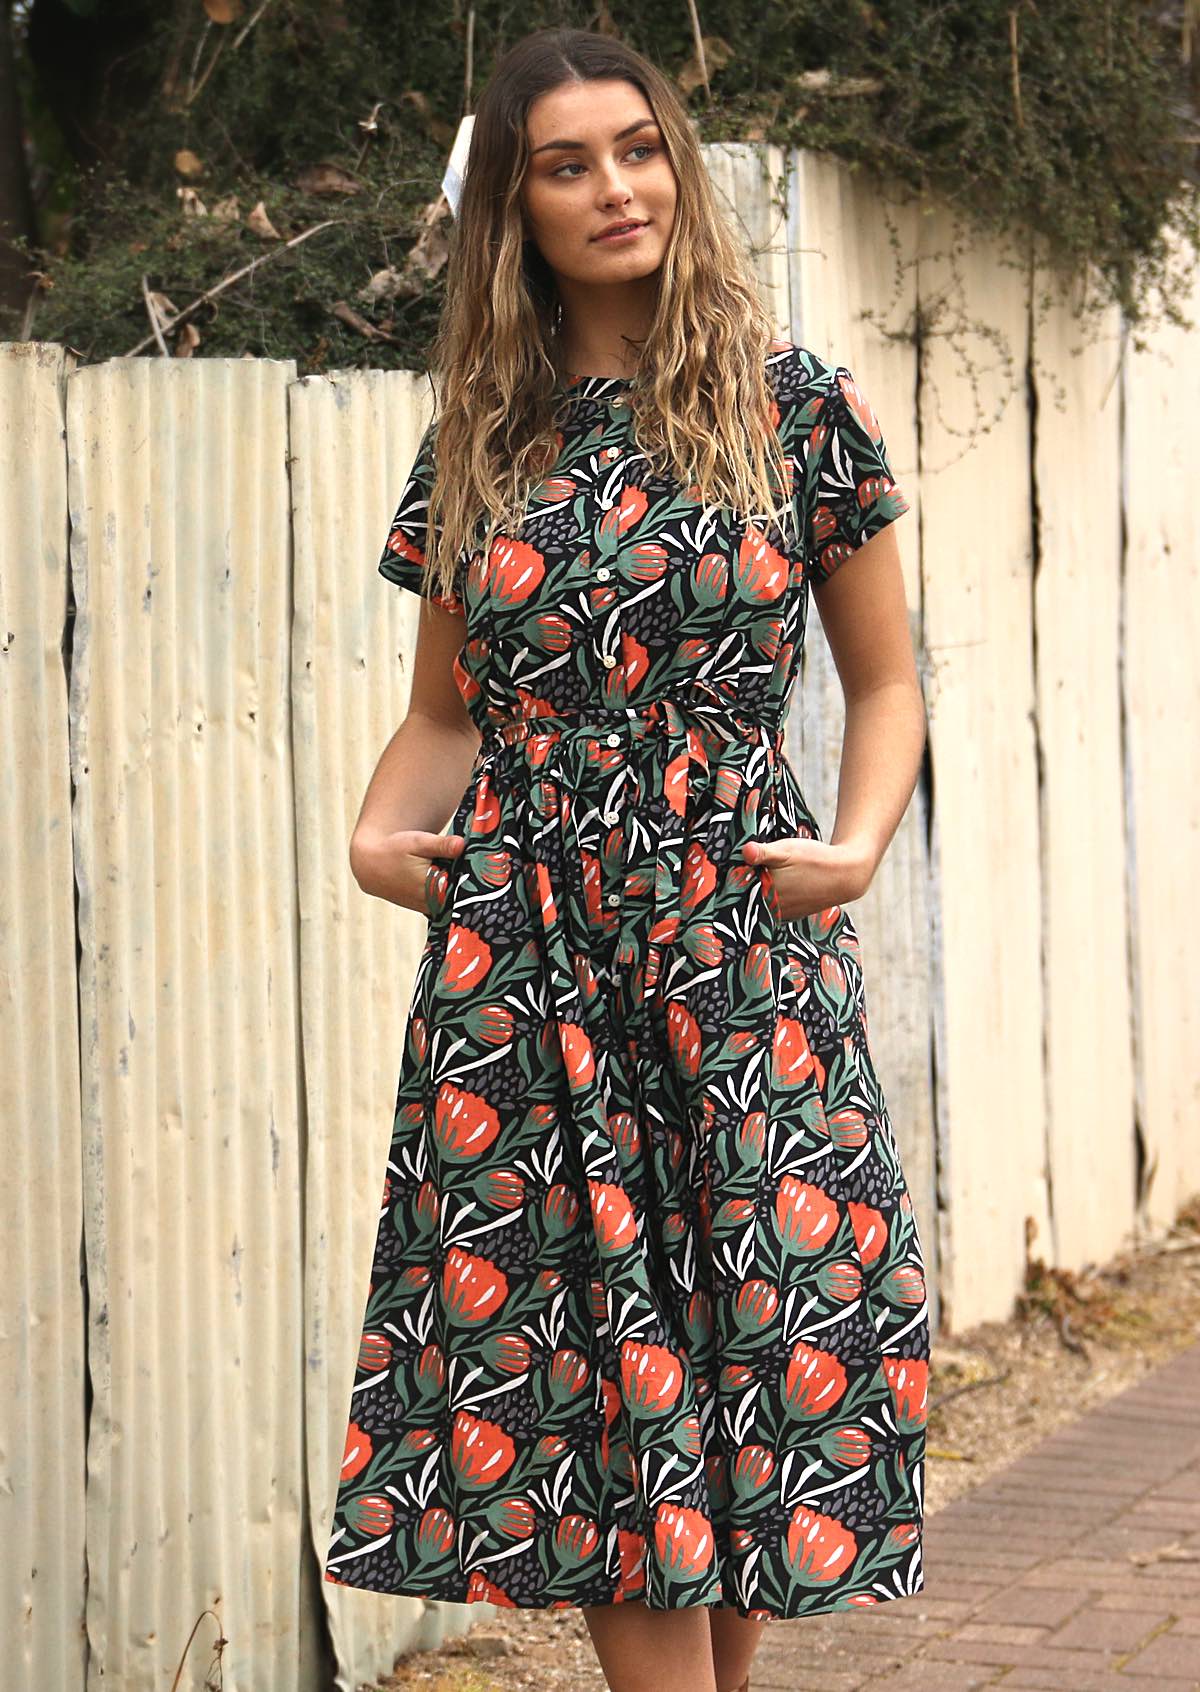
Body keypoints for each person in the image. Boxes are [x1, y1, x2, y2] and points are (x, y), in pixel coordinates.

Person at [324, 25, 930, 1692]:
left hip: (738, 944)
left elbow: (888, 682)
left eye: (640, 148)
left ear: (679, 166)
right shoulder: (482, 438)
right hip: (532, 965)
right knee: (598, 1382)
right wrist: (375, 831)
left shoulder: (793, 406)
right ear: (514, 209)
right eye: (567, 165)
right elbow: (444, 714)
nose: (616, 188)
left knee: (749, 1356)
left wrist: (857, 843)